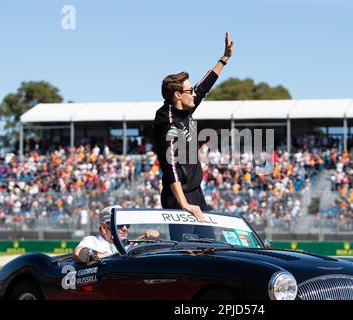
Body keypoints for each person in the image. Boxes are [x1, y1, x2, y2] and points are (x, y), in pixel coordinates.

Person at [152, 32, 233, 241]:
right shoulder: (166, 122)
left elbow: (203, 87)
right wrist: (184, 204)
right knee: (185, 251)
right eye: (190, 90)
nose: (194, 93)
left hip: (195, 191)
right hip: (178, 196)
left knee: (209, 246)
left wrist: (223, 59)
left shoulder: (185, 108)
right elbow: (169, 167)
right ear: (178, 95)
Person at [73, 205, 159, 265]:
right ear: (103, 227)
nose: (125, 228)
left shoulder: (129, 244)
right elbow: (79, 253)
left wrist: (154, 240)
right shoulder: (92, 241)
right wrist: (115, 257)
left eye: (127, 224)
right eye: (119, 224)